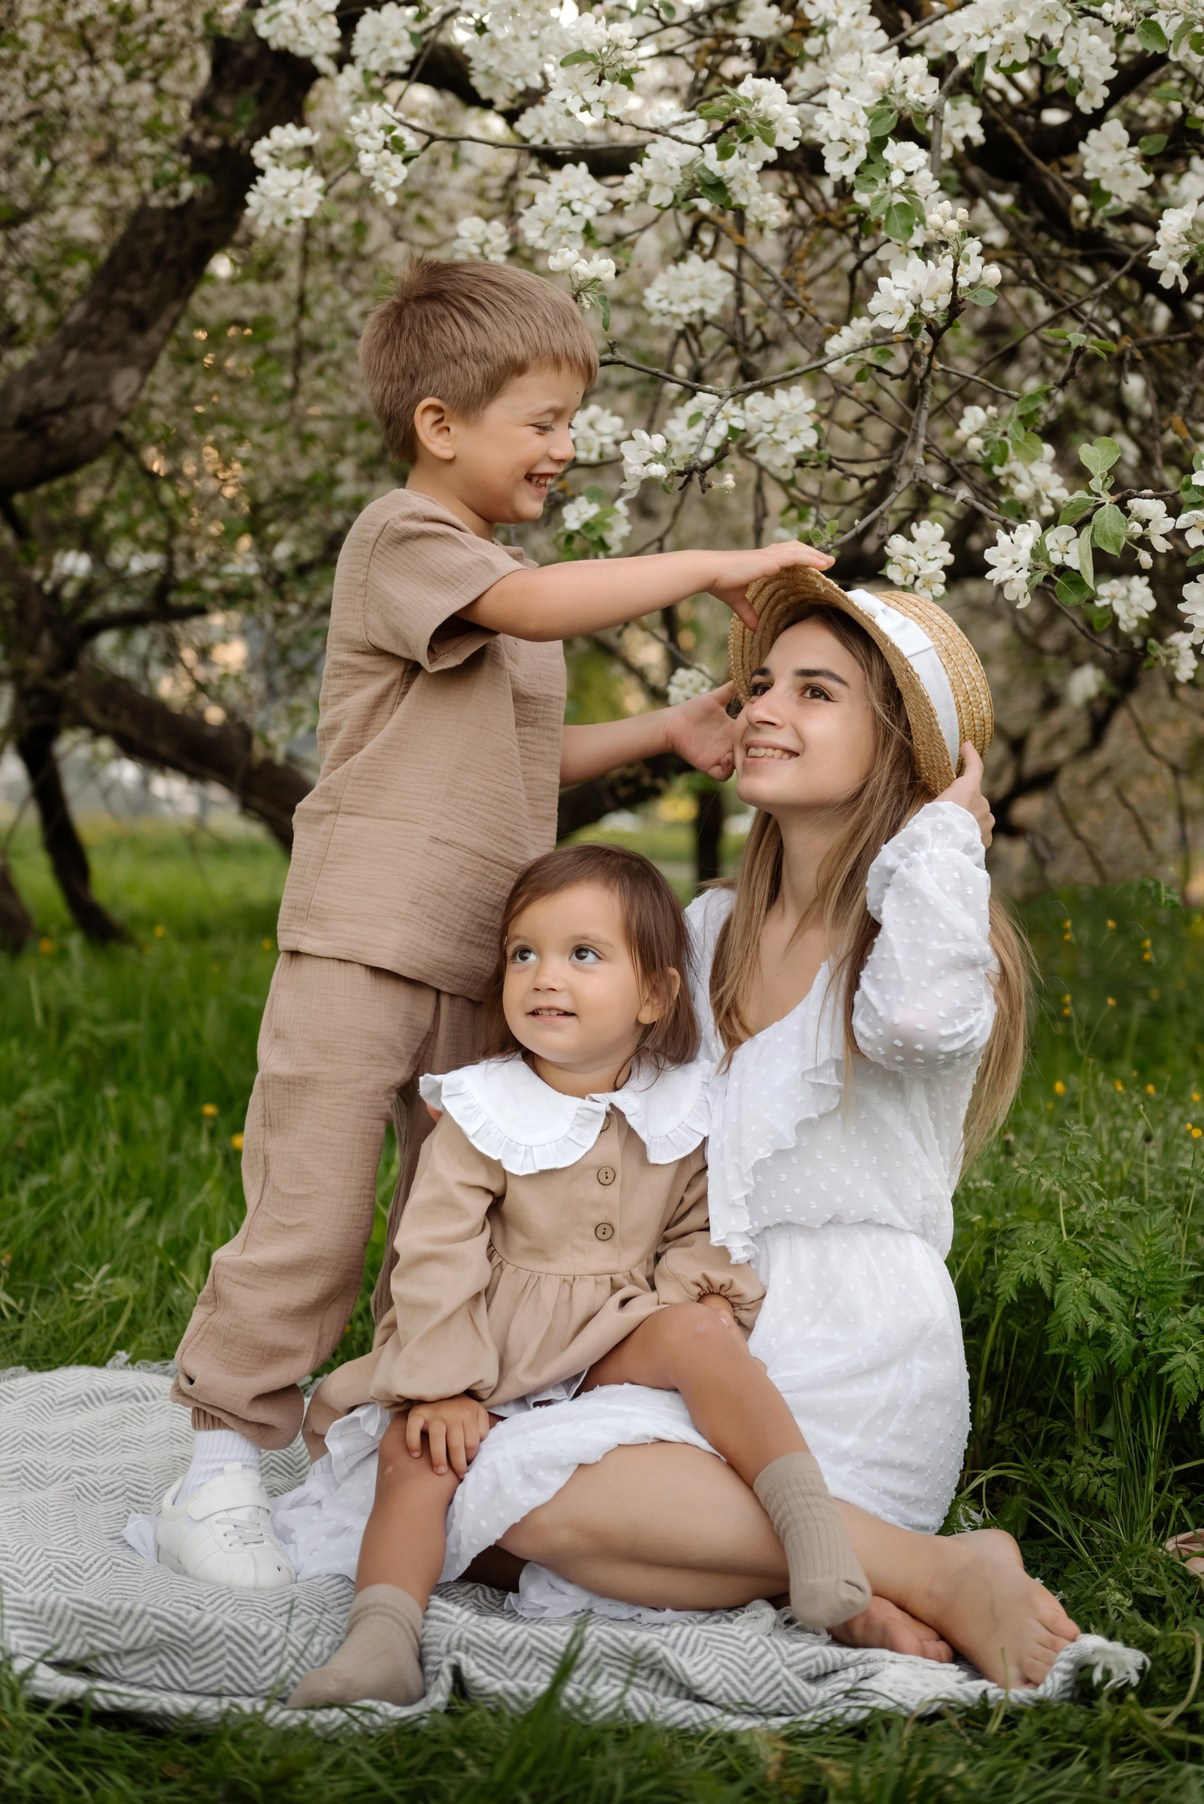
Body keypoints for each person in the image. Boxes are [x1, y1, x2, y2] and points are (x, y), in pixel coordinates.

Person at [155, 257, 835, 1592]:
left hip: (482, 960)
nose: (565, 448)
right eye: (543, 421)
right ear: (440, 425)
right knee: (313, 1204)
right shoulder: (406, 544)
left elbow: (529, 757)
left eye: (573, 421)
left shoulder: (502, 588)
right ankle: (220, 1458)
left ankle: (414, 1441)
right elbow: (529, 603)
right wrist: (717, 566)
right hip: (361, 942)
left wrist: (667, 729)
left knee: (448, 1219)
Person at [428, 570, 1081, 1689]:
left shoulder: (924, 929)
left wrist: (941, 837)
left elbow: (919, 1021)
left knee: (548, 1507)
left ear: (898, 750)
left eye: (815, 693)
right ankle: (877, 1580)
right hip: (699, 1327)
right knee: (463, 1501)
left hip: (847, 1349)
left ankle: (899, 1563)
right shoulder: (708, 928)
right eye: (762, 683)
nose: (764, 708)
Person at [283, 843, 872, 1707]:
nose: (543, 976)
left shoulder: (678, 1105)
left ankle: (812, 1526)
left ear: (654, 995)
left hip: (607, 1336)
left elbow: (695, 1226)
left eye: (582, 954)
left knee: (700, 1331)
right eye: (524, 953)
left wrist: (685, 1294)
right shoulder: (486, 1110)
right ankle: (384, 1637)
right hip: (492, 1347)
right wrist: (446, 1385)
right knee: (419, 1458)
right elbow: (434, 1254)